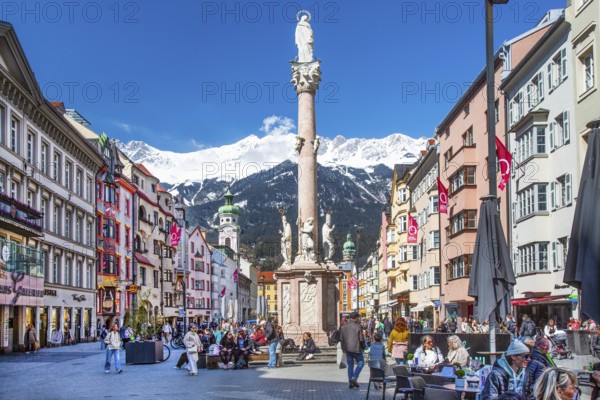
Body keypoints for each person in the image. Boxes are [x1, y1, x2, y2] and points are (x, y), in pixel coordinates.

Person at [340, 311, 365, 389]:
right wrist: (364, 347)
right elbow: (361, 339)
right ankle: (354, 377)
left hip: (347, 349)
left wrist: (343, 348)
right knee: (361, 362)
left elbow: (341, 339)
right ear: (356, 318)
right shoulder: (358, 327)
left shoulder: (343, 327)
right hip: (356, 348)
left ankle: (350, 382)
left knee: (350, 365)